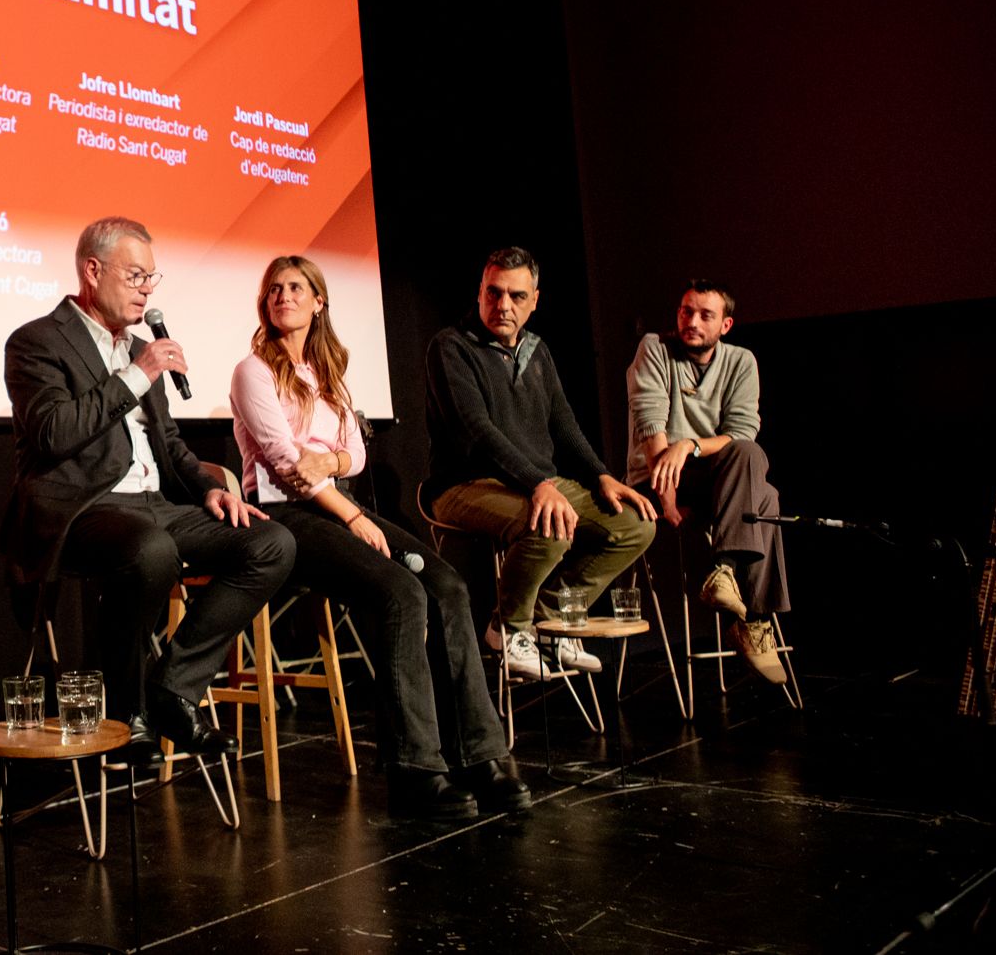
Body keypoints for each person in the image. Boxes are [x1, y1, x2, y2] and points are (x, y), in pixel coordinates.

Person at [231, 255, 529, 818]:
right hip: (285, 519)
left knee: (447, 586)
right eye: (274, 288)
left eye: (296, 287)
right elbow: (283, 463)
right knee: (401, 593)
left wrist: (332, 460)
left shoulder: (327, 374)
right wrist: (348, 511)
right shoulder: (253, 371)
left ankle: (479, 756)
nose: (283, 296)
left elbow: (358, 452)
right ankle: (414, 768)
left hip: (335, 503)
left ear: (319, 302)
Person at [4, 216, 295, 757]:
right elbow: (51, 432)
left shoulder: (139, 346)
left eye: (151, 280)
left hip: (156, 505)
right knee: (149, 548)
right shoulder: (37, 341)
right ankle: (125, 707)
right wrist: (136, 375)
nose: (146, 290)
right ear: (93, 271)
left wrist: (207, 489)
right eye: (136, 276)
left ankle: (171, 689)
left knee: (270, 542)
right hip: (84, 507)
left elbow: (170, 442)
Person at [425, 247, 657, 679]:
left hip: (534, 482)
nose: (503, 306)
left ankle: (550, 621)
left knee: (635, 526)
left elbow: (563, 422)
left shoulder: (538, 350)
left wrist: (600, 474)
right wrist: (538, 483)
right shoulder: (451, 347)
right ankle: (508, 629)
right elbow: (476, 430)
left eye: (516, 296)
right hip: (463, 484)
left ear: (535, 300)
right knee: (548, 526)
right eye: (493, 293)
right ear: (479, 292)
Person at [626, 279, 790, 683]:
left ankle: (724, 570)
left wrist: (691, 445)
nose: (692, 322)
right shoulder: (655, 349)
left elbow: (742, 433)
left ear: (726, 325)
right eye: (686, 311)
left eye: (705, 315)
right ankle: (754, 623)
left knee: (751, 459)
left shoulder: (740, 362)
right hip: (658, 481)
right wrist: (667, 500)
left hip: (719, 482)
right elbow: (650, 424)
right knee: (765, 499)